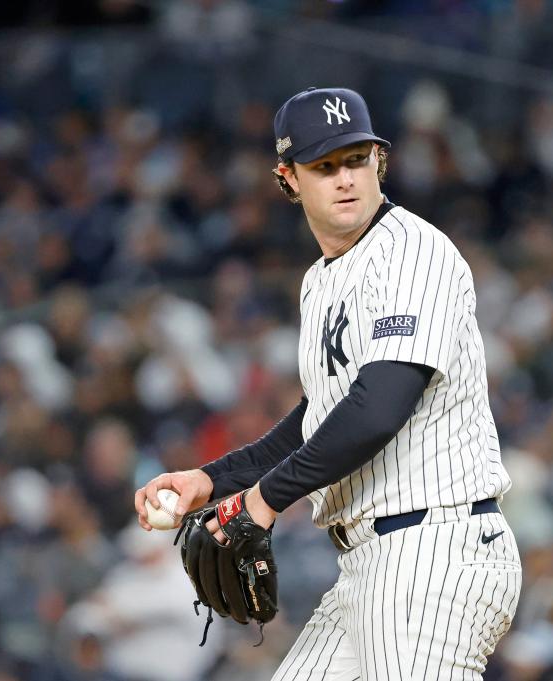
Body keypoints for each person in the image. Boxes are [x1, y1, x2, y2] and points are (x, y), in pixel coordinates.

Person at [134, 86, 521, 680]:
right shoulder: (321, 280)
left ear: (379, 162)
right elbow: (319, 418)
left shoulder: (412, 253)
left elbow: (377, 408)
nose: (345, 179)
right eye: (324, 167)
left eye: (356, 159)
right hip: (369, 562)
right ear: (288, 179)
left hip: (435, 550)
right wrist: (209, 480)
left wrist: (262, 501)